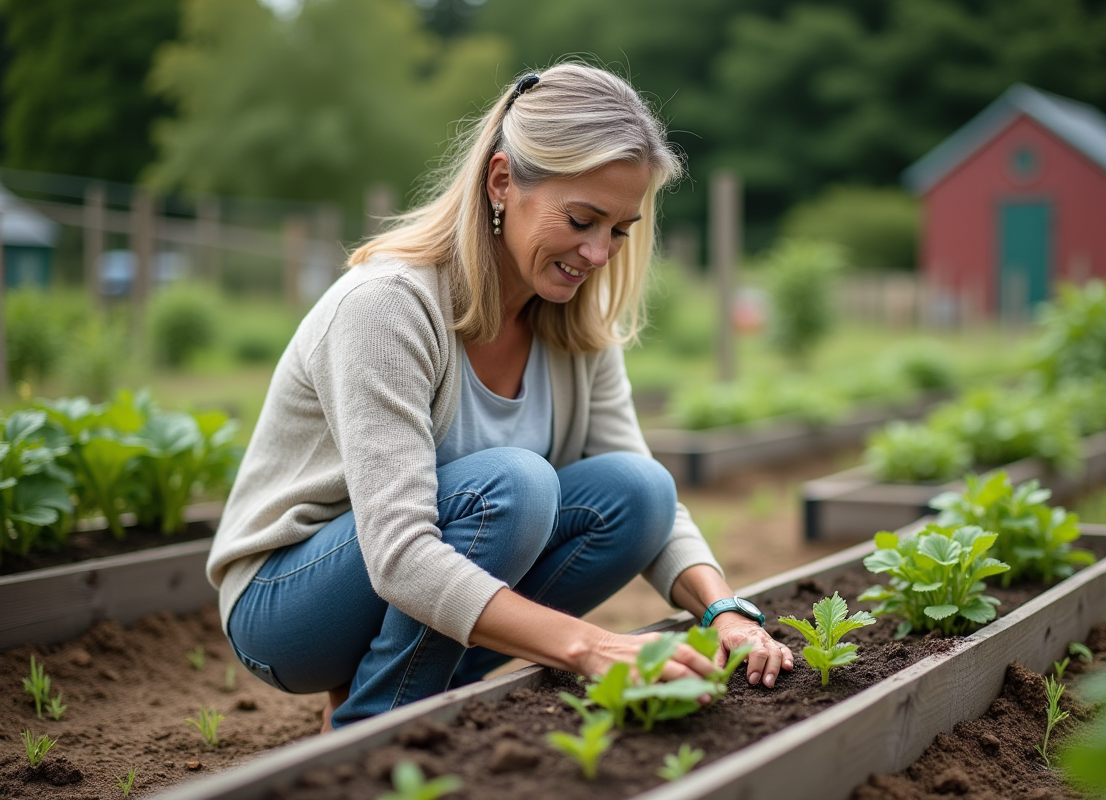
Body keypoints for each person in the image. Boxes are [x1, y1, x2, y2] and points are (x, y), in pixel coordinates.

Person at [206, 62, 793, 731]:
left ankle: (402, 684)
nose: (600, 253)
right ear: (502, 181)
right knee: (512, 489)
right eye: (581, 219)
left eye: (620, 230)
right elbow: (400, 555)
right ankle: (375, 724)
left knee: (641, 491)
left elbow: (652, 511)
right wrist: (594, 649)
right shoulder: (388, 306)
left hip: (411, 588)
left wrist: (721, 610)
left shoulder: (574, 323)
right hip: (289, 605)